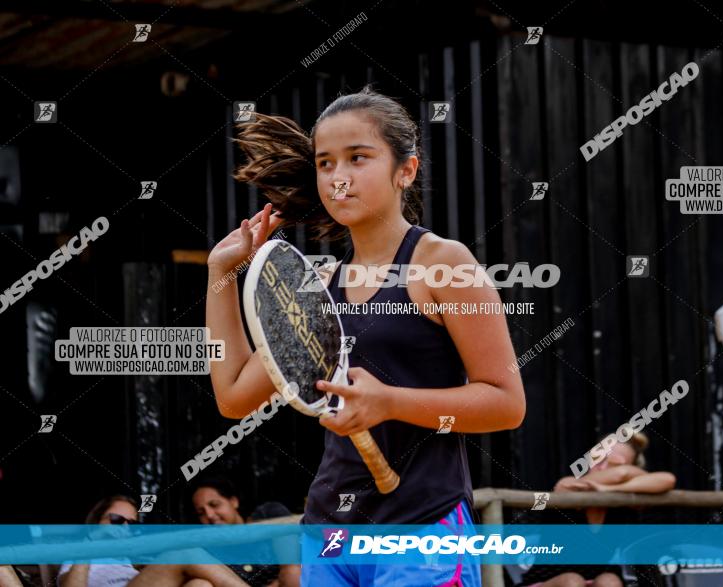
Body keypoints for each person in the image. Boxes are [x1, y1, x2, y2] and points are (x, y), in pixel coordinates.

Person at [205, 86, 526, 586]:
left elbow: (506, 403)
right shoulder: (320, 286)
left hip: (422, 528)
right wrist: (220, 275)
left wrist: (389, 402)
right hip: (329, 535)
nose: (338, 177)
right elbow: (232, 397)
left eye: (358, 158)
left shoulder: (444, 263)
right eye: (325, 163)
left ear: (406, 170)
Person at [517, 433, 676, 587]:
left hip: (594, 580)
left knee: (610, 581)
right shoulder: (569, 485)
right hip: (546, 582)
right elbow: (619, 474)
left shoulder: (623, 502)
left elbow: (668, 480)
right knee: (572, 582)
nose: (603, 466)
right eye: (598, 456)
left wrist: (608, 489)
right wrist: (622, 474)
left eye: (614, 463)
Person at [57, 495, 246, 587]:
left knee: (199, 585)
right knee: (182, 553)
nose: (123, 527)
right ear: (96, 522)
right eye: (116, 520)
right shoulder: (79, 556)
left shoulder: (129, 561)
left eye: (131, 524)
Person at [191, 477, 300, 587]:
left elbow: (291, 570)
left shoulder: (267, 515)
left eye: (214, 505)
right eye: (201, 513)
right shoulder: (211, 553)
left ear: (234, 501)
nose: (209, 515)